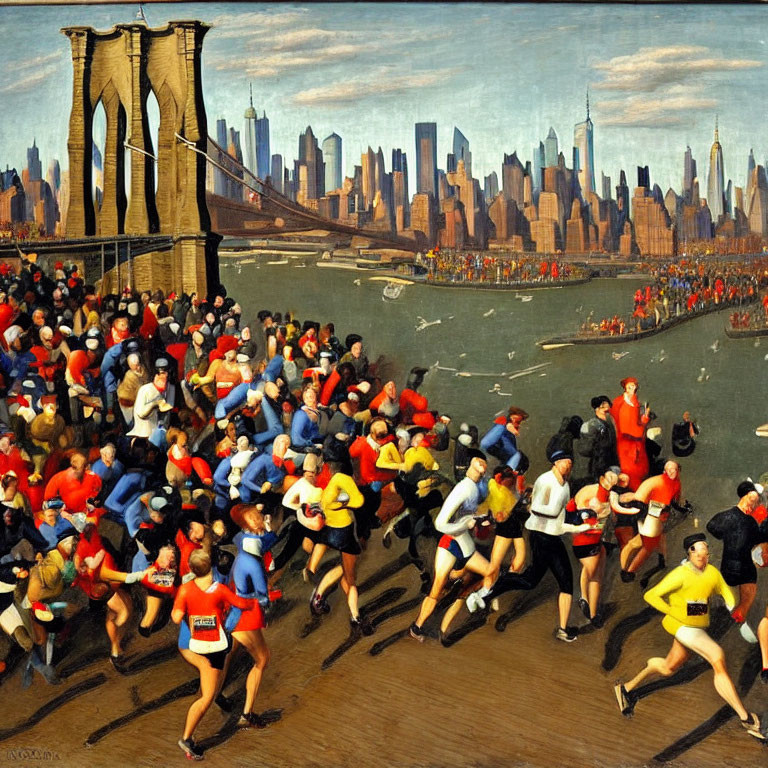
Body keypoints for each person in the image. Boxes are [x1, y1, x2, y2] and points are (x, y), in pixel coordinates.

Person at [613, 533, 765, 742]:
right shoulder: (681, 574)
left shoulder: (712, 572)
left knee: (668, 667)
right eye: (700, 549)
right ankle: (746, 719)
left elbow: (725, 591)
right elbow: (651, 595)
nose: (704, 553)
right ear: (690, 552)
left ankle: (626, 688)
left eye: (706, 548)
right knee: (717, 657)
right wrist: (674, 612)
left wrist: (734, 610)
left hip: (696, 627)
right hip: (683, 627)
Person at [478, 444, 593, 642]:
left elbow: (562, 515)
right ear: (555, 463)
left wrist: (578, 519)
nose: (568, 465)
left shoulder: (564, 485)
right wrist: (562, 517)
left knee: (563, 583)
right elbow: (538, 509)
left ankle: (563, 629)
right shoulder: (546, 481)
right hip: (540, 536)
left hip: (553, 537)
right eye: (565, 461)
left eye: (570, 462)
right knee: (530, 581)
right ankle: (490, 592)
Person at [172, 548, 256, 760]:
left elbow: (175, 617)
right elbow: (241, 603)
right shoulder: (218, 589)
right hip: (215, 647)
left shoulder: (185, 589)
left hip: (197, 645)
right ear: (211, 567)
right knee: (207, 697)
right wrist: (257, 597)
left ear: (192, 569)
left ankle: (216, 695)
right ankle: (187, 739)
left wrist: (190, 615)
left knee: (212, 685)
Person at [409, 451, 494, 642]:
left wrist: (479, 520)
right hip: (450, 543)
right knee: (437, 589)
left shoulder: (474, 487)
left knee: (488, 572)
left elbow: (467, 515)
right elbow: (441, 523)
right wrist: (466, 524)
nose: (483, 465)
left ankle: (467, 592)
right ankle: (417, 627)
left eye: (484, 462)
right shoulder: (463, 489)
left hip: (464, 545)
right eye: (479, 462)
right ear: (470, 464)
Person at [708, 480, 768, 645]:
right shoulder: (739, 519)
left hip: (735, 565)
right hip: (738, 566)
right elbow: (712, 526)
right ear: (744, 497)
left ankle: (735, 613)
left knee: (740, 590)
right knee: (746, 592)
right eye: (751, 501)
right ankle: (738, 615)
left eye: (755, 503)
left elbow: (711, 526)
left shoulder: (736, 518)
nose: (753, 505)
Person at [618, 460, 682, 580]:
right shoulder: (661, 482)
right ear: (664, 471)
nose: (671, 472)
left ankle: (661, 559)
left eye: (673, 469)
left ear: (678, 470)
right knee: (647, 546)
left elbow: (674, 499)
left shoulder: (675, 482)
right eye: (668, 470)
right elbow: (651, 503)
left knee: (644, 541)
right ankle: (630, 571)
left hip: (651, 512)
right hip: (646, 512)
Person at [611, 377, 651, 491]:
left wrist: (643, 419)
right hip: (627, 442)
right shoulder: (620, 401)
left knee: (638, 469)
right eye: (630, 386)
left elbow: (634, 423)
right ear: (625, 387)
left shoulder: (635, 402)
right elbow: (630, 427)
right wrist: (644, 421)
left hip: (634, 442)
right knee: (630, 470)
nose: (632, 388)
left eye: (634, 386)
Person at [578, 395, 618, 481]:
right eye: (605, 411)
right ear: (597, 410)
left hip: (609, 462)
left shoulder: (609, 424)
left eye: (608, 411)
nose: (607, 414)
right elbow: (587, 449)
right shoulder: (593, 425)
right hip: (598, 464)